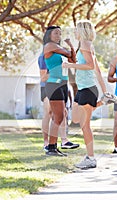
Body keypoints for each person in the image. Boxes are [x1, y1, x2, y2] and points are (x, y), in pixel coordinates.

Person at [63, 20, 117, 169]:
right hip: (83, 89)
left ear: (81, 30)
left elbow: (90, 66)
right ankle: (103, 101)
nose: (74, 32)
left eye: (76, 29)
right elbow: (98, 71)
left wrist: (70, 65)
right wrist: (105, 90)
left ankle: (91, 158)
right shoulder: (84, 46)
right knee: (75, 117)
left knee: (85, 125)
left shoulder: (86, 45)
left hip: (88, 89)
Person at [43, 25, 76, 156]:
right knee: (58, 117)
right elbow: (70, 55)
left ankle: (53, 146)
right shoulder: (49, 46)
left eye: (60, 34)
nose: (58, 36)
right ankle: (51, 147)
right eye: (56, 33)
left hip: (63, 84)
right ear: (49, 35)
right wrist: (69, 48)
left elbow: (73, 59)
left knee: (61, 115)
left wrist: (71, 46)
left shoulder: (60, 49)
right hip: (54, 84)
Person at [38, 53, 79, 152]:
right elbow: (43, 77)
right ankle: (46, 143)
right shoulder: (43, 56)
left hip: (60, 86)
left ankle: (64, 141)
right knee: (48, 113)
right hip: (47, 86)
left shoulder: (60, 56)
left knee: (63, 112)